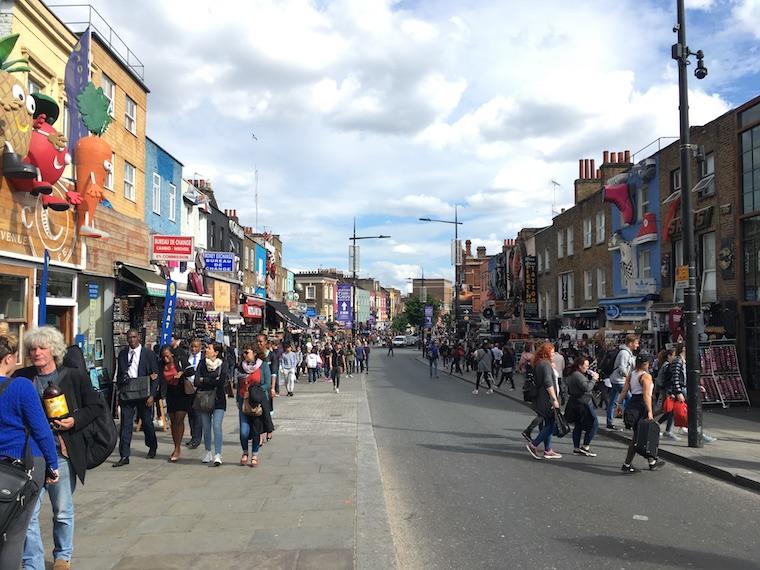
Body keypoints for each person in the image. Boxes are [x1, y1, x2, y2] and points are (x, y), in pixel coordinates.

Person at [14, 326, 102, 570]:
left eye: (42, 348)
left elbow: (95, 406)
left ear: (54, 350)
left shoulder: (74, 376)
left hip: (61, 453)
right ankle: (32, 561)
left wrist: (74, 420)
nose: (37, 353)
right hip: (31, 455)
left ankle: (62, 556)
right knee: (28, 515)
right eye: (32, 349)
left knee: (62, 510)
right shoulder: (22, 377)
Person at [0, 332, 59, 570]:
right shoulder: (21, 387)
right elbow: (42, 430)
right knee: (13, 536)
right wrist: (53, 465)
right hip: (21, 467)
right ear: (8, 359)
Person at [113, 329, 159, 467]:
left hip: (143, 392)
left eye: (134, 337)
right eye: (129, 338)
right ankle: (124, 455)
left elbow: (156, 375)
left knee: (146, 422)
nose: (132, 340)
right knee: (126, 425)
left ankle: (152, 445)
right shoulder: (122, 354)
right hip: (128, 392)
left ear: (138, 338)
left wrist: (152, 395)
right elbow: (120, 372)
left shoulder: (148, 354)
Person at [616, 354, 666, 473]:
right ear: (645, 364)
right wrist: (649, 411)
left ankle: (652, 462)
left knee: (641, 435)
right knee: (638, 437)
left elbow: (624, 390)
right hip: (642, 406)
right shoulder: (646, 376)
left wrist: (618, 404)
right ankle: (627, 464)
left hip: (632, 405)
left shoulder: (631, 374)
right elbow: (646, 395)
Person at [525, 342, 562, 460]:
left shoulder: (540, 363)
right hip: (546, 399)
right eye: (551, 352)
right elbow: (548, 382)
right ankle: (534, 444)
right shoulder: (545, 364)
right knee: (551, 424)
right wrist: (554, 399)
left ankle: (548, 450)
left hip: (542, 398)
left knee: (548, 423)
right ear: (545, 353)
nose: (553, 355)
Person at [195, 342, 227, 465]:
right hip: (204, 398)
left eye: (209, 348)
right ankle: (208, 451)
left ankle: (218, 453)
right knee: (206, 427)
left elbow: (221, 382)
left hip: (218, 399)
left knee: (217, 426)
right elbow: (197, 381)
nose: (206, 350)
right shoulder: (202, 363)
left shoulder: (222, 364)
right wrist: (212, 380)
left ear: (216, 352)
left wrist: (205, 379)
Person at [158, 345, 193, 462]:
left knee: (179, 419)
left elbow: (191, 370)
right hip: (170, 393)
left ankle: (178, 448)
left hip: (182, 392)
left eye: (167, 356)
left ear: (172, 354)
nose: (165, 358)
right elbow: (158, 376)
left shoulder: (180, 360)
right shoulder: (161, 364)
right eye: (163, 356)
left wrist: (182, 373)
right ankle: (175, 445)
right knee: (173, 421)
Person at [564, 356, 600, 457]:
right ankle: (585, 446)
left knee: (578, 426)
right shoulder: (578, 375)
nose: (587, 368)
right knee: (594, 423)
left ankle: (576, 448)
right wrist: (593, 379)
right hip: (583, 402)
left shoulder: (572, 374)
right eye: (586, 366)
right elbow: (587, 388)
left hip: (574, 402)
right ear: (580, 366)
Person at [236, 345, 264, 467]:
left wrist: (256, 393)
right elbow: (238, 384)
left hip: (256, 402)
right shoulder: (241, 367)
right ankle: (245, 452)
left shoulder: (261, 366)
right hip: (243, 401)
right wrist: (238, 399)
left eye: (247, 352)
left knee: (256, 430)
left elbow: (266, 383)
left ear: (254, 353)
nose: (245, 355)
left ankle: (254, 455)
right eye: (243, 352)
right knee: (244, 431)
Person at [607, 334, 639, 431]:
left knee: (613, 401)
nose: (637, 345)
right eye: (636, 343)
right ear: (630, 343)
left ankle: (610, 422)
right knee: (630, 401)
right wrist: (629, 377)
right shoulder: (624, 353)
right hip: (619, 381)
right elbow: (622, 368)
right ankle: (629, 422)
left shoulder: (627, 353)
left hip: (616, 379)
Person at [184, 339, 204, 449]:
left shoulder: (203, 358)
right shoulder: (188, 357)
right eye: (192, 347)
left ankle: (197, 439)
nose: (193, 349)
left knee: (198, 414)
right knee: (191, 414)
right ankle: (193, 436)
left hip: (200, 389)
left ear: (200, 347)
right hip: (189, 388)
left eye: (196, 347)